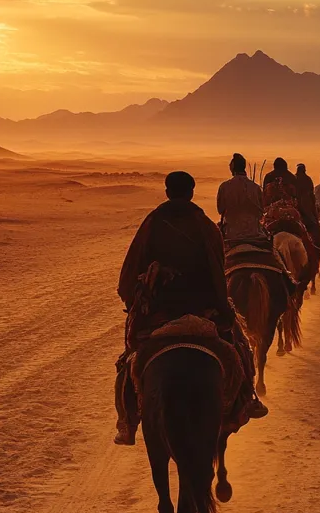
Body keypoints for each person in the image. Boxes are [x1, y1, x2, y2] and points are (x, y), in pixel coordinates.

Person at [114, 170, 267, 445]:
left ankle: (127, 420)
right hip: (202, 307)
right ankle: (248, 399)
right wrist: (223, 306)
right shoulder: (204, 224)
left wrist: (136, 301)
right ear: (192, 192)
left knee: (129, 359)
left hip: (159, 310)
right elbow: (218, 271)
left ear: (166, 191)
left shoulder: (152, 223)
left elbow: (130, 272)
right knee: (239, 345)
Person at [217, 153, 264, 242]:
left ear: (233, 166)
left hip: (231, 233)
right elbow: (261, 210)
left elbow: (220, 209)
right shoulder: (256, 187)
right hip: (254, 232)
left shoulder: (224, 187)